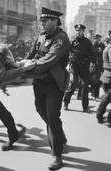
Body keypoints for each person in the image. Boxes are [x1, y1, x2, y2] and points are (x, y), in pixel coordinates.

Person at [23, 7, 70, 170]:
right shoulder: (42, 36)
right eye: (41, 21)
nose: (42, 23)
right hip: (39, 82)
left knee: (52, 117)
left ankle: (57, 155)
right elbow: (31, 55)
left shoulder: (61, 38)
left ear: (55, 21)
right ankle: (60, 135)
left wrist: (25, 69)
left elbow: (48, 60)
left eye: (45, 21)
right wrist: (20, 64)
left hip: (54, 84)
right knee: (40, 110)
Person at [63, 24, 94, 112]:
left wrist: (90, 62)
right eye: (77, 30)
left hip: (84, 67)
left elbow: (92, 54)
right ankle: (66, 103)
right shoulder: (72, 41)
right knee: (71, 84)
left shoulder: (88, 42)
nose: (78, 32)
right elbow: (66, 52)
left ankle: (85, 107)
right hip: (74, 66)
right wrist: (68, 60)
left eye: (80, 31)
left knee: (84, 86)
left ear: (83, 31)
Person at [90, 34, 105, 99]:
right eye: (95, 38)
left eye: (98, 38)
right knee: (93, 80)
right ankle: (93, 93)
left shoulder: (102, 45)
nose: (97, 40)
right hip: (93, 64)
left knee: (97, 80)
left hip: (99, 65)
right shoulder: (92, 46)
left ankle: (95, 94)